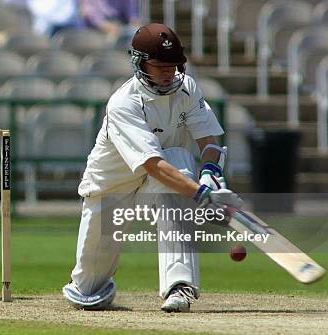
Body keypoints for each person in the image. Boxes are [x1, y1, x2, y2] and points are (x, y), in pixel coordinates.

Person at [62, 23, 243, 312]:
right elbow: (152, 164)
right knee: (88, 291)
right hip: (112, 185)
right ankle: (90, 286)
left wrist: (211, 175)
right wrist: (203, 197)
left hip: (167, 173)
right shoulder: (124, 103)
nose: (168, 72)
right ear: (140, 63)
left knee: (179, 160)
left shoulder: (187, 89)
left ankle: (179, 286)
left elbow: (208, 140)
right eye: (159, 65)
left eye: (173, 65)